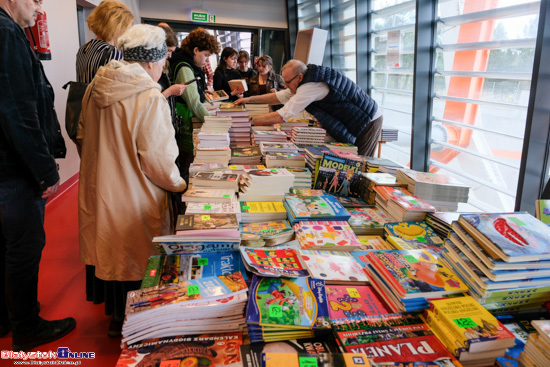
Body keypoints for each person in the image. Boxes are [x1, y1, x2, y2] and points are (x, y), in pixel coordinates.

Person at [77, 24, 187, 337]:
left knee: (108, 249)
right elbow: (159, 160)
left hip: (101, 189)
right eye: (163, 64)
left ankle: (115, 317)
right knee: (135, 256)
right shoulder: (149, 97)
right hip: (134, 193)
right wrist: (179, 185)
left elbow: (83, 135)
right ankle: (138, 324)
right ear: (153, 62)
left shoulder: (97, 86)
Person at [0, 0, 75, 351]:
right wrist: (45, 170)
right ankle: (26, 326)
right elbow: (18, 111)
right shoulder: (7, 33)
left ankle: (7, 315)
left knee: (7, 244)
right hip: (14, 169)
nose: (39, 7)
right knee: (25, 246)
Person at [236, 59, 383, 157]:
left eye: (287, 82)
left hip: (368, 119)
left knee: (359, 162)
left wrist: (247, 121)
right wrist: (248, 100)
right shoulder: (305, 79)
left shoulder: (311, 86)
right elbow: (279, 96)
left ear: (299, 77)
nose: (285, 85)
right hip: (354, 117)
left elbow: (282, 115)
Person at [169, 27, 221, 181]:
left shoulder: (191, 65)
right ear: (196, 50)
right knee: (185, 169)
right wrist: (215, 123)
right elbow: (193, 103)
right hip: (184, 125)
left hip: (186, 122)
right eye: (205, 55)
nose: (207, 60)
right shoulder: (185, 68)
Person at [75, 0, 134, 83]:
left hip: (83, 96)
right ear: (117, 27)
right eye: (127, 28)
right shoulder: (113, 52)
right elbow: (117, 90)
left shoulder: (83, 49)